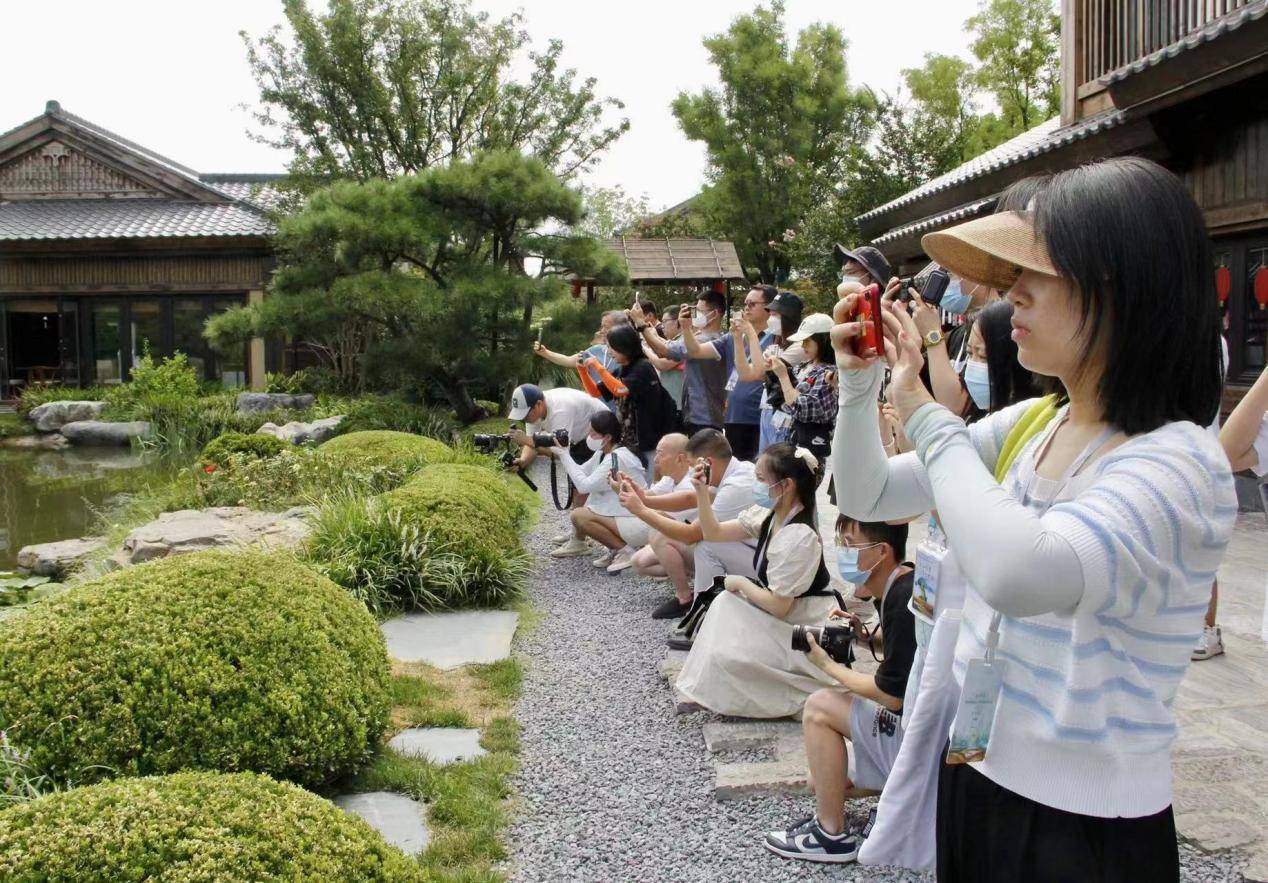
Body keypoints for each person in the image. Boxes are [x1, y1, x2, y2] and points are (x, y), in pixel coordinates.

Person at [829, 156, 1235, 881]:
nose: (1010, 294)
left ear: (1120, 286)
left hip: (1084, 825)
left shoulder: (1178, 461)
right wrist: (860, 385)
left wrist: (925, 415)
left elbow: (1022, 569)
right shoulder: (1037, 423)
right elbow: (867, 493)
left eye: (1036, 272)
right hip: (977, 770)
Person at [764, 516, 916, 864]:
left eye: (849, 544)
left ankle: (831, 836)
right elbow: (902, 650)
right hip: (926, 737)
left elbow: (891, 695)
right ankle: (894, 806)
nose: (842, 551)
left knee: (819, 706)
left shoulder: (901, 596)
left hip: (918, 741)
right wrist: (863, 636)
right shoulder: (900, 583)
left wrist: (827, 667)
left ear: (881, 551)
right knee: (826, 781)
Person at [674, 442, 841, 717]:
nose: (756, 485)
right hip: (788, 616)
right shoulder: (770, 514)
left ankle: (712, 688)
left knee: (727, 612)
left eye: (761, 479)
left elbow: (780, 606)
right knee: (724, 606)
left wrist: (740, 583)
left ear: (785, 486)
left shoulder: (799, 536)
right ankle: (705, 687)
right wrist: (701, 493)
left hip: (806, 628)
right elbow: (713, 532)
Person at [618, 429, 756, 622]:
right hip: (753, 550)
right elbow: (690, 498)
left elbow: (692, 533)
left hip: (762, 562)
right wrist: (643, 499)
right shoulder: (736, 469)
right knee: (702, 541)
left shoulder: (736, 486)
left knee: (706, 543)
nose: (691, 471)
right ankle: (704, 609)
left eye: (693, 465)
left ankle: (703, 615)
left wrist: (640, 509)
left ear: (707, 462)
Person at [552, 409, 648, 568]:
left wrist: (563, 455)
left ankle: (625, 552)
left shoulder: (616, 458)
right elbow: (581, 471)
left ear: (608, 437)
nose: (589, 436)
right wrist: (564, 452)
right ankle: (616, 550)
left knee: (579, 515)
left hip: (637, 521)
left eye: (593, 433)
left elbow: (584, 486)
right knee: (585, 512)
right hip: (626, 515)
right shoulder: (604, 452)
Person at [633, 292, 728, 436]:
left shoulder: (707, 341)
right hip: (700, 414)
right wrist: (651, 334)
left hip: (703, 416)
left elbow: (664, 351)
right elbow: (671, 346)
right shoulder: (706, 338)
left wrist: (641, 325)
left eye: (699, 311)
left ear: (714, 314)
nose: (694, 315)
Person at [733, 291, 808, 454]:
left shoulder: (800, 346)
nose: (770, 318)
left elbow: (760, 372)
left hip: (785, 415)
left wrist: (751, 333)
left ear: (788, 316)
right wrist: (737, 338)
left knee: (778, 467)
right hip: (767, 411)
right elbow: (747, 374)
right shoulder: (775, 344)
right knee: (764, 468)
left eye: (774, 314)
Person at [605, 325, 678, 480]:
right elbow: (597, 391)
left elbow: (620, 390)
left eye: (612, 347)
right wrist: (583, 370)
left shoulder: (642, 367)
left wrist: (597, 367)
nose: (610, 351)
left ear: (624, 346)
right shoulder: (622, 369)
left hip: (650, 440)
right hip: (629, 443)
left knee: (651, 483)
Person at [769, 312, 837, 479]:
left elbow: (801, 408)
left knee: (801, 499)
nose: (803, 345)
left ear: (823, 340)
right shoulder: (803, 366)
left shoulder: (829, 373)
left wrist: (784, 376)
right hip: (790, 440)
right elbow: (784, 401)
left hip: (810, 449)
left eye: (808, 340)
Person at [627, 433, 697, 588]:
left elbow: (661, 517)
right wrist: (625, 488)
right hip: (684, 539)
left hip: (700, 544)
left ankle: (684, 595)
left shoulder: (691, 483)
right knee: (639, 562)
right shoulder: (671, 476)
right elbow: (646, 497)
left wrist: (637, 506)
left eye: (660, 454)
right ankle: (691, 575)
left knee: (658, 535)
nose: (655, 459)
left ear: (680, 458)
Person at [532, 310, 629, 408]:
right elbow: (568, 360)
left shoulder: (631, 355)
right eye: (601, 326)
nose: (602, 331)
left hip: (623, 412)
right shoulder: (596, 350)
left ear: (620, 329)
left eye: (606, 327)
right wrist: (545, 353)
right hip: (597, 410)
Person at [646, 307, 687, 406]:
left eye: (665, 321)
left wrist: (644, 349)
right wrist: (654, 336)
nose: (662, 326)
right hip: (672, 401)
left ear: (678, 321)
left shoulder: (686, 341)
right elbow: (666, 345)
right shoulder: (677, 340)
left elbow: (662, 364)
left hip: (678, 404)